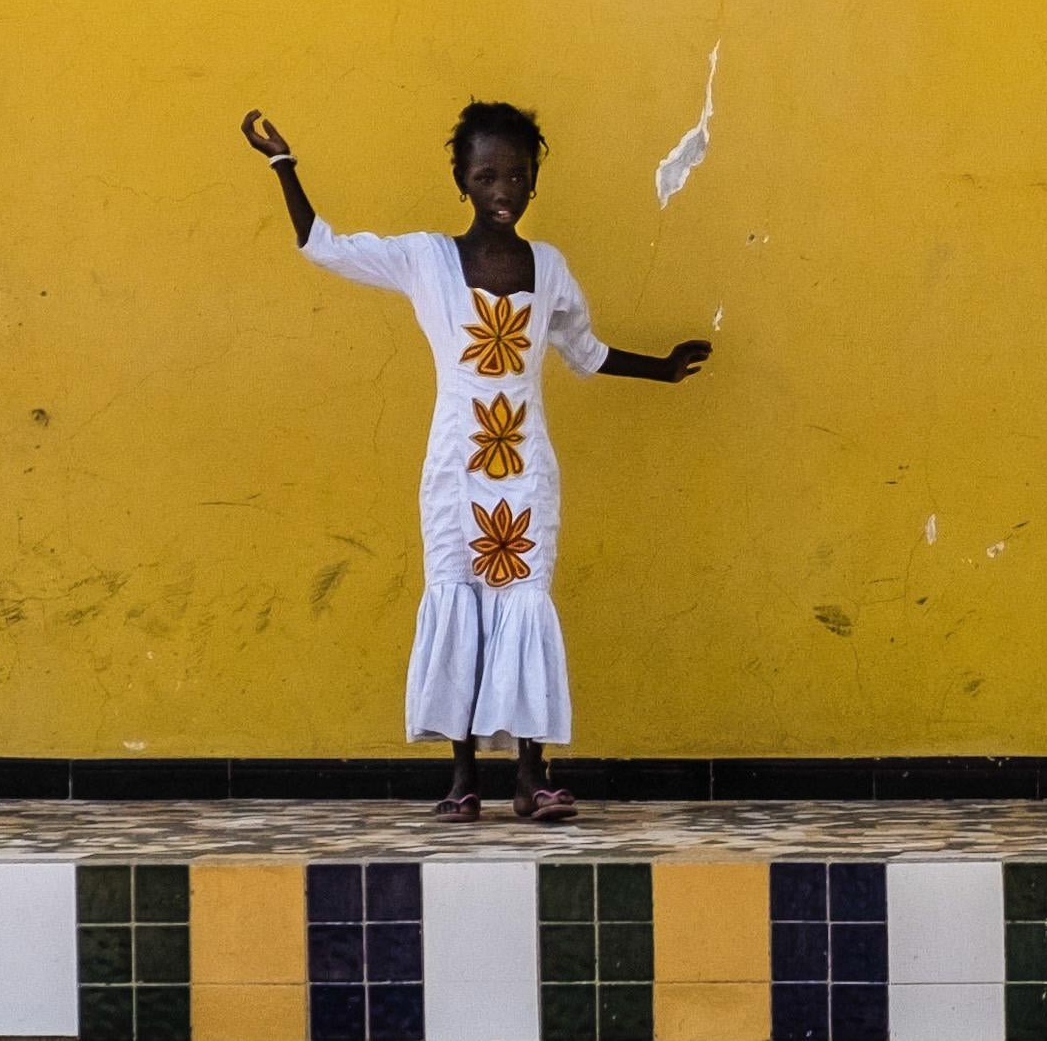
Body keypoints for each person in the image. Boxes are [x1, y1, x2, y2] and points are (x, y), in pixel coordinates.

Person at [240, 100, 710, 821]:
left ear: (533, 183)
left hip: (527, 472)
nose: (503, 189)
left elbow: (585, 352)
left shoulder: (549, 268)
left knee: (524, 600)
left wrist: (664, 369)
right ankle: (462, 779)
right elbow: (322, 244)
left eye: (517, 176)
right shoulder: (425, 258)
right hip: (454, 472)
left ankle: (531, 777)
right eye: (487, 175)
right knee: (457, 594)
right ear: (461, 180)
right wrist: (284, 165)